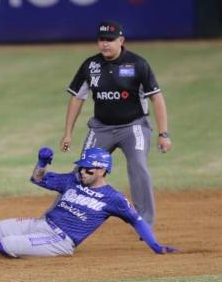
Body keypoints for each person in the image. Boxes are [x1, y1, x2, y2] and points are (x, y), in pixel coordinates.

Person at [0, 147, 177, 258]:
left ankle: (12, 249)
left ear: (102, 170)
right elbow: (37, 178)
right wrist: (42, 162)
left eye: (88, 169)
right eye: (81, 167)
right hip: (41, 224)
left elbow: (137, 220)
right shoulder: (73, 180)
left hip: (60, 241)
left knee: (6, 244)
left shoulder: (114, 199)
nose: (82, 171)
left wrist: (155, 245)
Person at [60, 20, 171, 226]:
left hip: (134, 126)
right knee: (83, 170)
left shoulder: (138, 64)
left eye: (110, 40)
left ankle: (144, 222)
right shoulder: (90, 66)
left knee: (138, 165)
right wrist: (68, 133)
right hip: (101, 128)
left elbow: (157, 98)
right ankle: (62, 218)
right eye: (101, 39)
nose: (105, 44)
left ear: (121, 40)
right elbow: (77, 98)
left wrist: (163, 134)